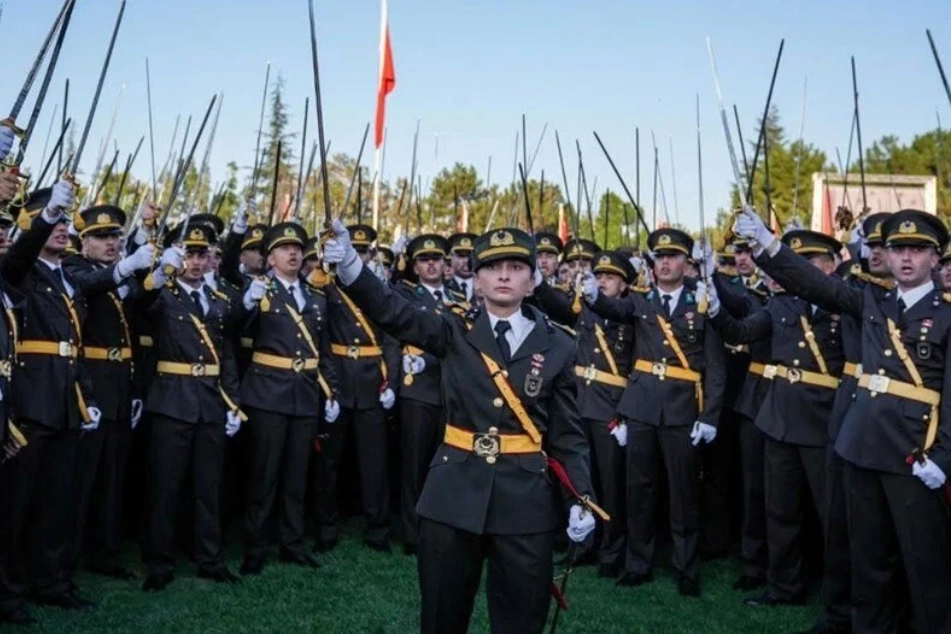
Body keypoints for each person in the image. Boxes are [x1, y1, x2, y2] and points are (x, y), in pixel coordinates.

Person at [323, 222, 597, 634]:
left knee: (521, 621)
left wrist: (581, 497)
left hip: (525, 500)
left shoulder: (558, 344)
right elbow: (393, 312)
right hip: (452, 494)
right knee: (441, 617)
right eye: (492, 267)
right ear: (477, 281)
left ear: (532, 281)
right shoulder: (452, 329)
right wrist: (349, 264)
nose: (503, 275)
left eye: (515, 267)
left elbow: (567, 435)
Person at [731, 206, 951, 634]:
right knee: (868, 559)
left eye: (917, 250)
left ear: (935, 258)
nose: (906, 257)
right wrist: (767, 243)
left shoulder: (945, 315)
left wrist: (943, 456)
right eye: (898, 249)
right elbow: (812, 283)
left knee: (924, 561)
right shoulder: (870, 300)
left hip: (915, 452)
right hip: (861, 446)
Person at [581, 227, 725, 597]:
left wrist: (709, 415)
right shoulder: (640, 301)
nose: (665, 263)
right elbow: (612, 308)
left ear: (686, 262)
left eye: (672, 256)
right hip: (641, 406)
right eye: (659, 257)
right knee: (639, 490)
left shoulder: (702, 300)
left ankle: (686, 567)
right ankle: (637, 563)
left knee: (683, 492)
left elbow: (715, 366)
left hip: (681, 408)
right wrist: (592, 295)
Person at [707, 230, 846, 609]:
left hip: (824, 419)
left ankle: (840, 597)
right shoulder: (781, 304)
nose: (795, 271)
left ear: (829, 267)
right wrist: (716, 310)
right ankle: (784, 585)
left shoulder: (843, 305)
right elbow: (741, 331)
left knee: (831, 514)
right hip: (779, 417)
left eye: (807, 264)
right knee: (779, 509)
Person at [0, 181, 101, 624]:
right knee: (16, 505)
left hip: (65, 400)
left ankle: (52, 582)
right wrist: (44, 218)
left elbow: (74, 344)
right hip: (30, 401)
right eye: (54, 220)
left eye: (64, 220)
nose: (62, 228)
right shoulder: (20, 269)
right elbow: (19, 254)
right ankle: (9, 592)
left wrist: (87, 397)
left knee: (58, 502)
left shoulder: (68, 278)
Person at [141, 223, 243, 592]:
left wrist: (232, 402)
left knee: (208, 486)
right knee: (166, 486)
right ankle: (159, 562)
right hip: (172, 399)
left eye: (202, 254)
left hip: (210, 402)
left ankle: (210, 558)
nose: (196, 262)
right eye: (189, 254)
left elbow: (226, 354)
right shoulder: (163, 295)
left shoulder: (217, 300)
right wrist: (156, 272)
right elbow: (139, 304)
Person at [238, 221, 339, 575]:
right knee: (264, 476)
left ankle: (292, 544)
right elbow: (235, 330)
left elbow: (323, 349)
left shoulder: (315, 295)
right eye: (284, 248)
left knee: (297, 475)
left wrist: (331, 390)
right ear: (270, 258)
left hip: (305, 393)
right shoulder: (259, 291)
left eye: (297, 248)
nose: (293, 253)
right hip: (268, 393)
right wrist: (248, 303)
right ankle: (255, 547)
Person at [63, 205, 155, 580]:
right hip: (90, 386)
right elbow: (89, 285)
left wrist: (152, 273)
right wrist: (127, 266)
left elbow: (139, 319)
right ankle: (67, 558)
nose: (111, 243)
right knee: (81, 480)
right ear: (84, 242)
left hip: (119, 386)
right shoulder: (74, 267)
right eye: (101, 237)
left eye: (115, 236)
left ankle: (105, 553)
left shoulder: (120, 274)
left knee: (112, 479)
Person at [533, 250, 635, 578]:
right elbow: (556, 307)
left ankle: (612, 550)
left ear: (624, 285)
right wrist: (538, 281)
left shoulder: (632, 313)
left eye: (610, 277)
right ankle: (582, 544)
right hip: (580, 402)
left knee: (611, 484)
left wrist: (626, 414)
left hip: (611, 408)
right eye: (599, 276)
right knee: (580, 481)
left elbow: (638, 368)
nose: (602, 282)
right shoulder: (584, 308)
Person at [315, 223, 399, 553]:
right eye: (356, 250)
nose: (361, 256)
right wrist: (327, 386)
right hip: (337, 379)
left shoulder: (378, 289)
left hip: (372, 383)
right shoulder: (326, 285)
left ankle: (378, 529)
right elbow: (319, 337)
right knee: (329, 462)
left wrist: (392, 381)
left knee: (374, 463)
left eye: (365, 251)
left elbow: (391, 338)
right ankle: (326, 526)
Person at [392, 234, 452, 555]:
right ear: (414, 267)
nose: (431, 265)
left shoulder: (457, 297)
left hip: (450, 390)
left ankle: (439, 528)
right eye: (424, 260)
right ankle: (412, 533)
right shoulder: (406, 294)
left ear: (445, 264)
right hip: (418, 389)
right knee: (414, 466)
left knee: (444, 467)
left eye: (436, 259)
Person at [445, 232, 477, 303]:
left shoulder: (485, 287)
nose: (466, 260)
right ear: (451, 257)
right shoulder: (441, 286)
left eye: (470, 256)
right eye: (461, 256)